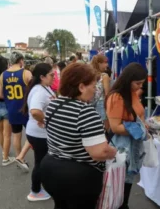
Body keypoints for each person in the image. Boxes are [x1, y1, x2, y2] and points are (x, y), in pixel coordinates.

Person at [40, 63, 117, 209]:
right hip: (78, 177)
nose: (95, 91)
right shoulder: (86, 112)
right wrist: (114, 152)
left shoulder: (53, 105)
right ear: (81, 87)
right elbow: (99, 152)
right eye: (93, 86)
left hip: (50, 169)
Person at [106, 62, 148, 209]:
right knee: (118, 187)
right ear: (128, 80)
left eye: (141, 84)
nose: (139, 87)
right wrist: (139, 129)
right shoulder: (116, 97)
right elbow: (115, 127)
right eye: (137, 83)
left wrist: (142, 125)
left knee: (126, 185)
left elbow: (138, 115)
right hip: (121, 148)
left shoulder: (132, 93)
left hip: (132, 146)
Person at [21, 63, 55, 202]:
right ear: (42, 77)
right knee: (40, 163)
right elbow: (35, 111)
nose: (54, 77)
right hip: (39, 134)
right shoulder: (39, 91)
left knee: (43, 162)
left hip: (40, 133)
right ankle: (35, 191)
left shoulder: (44, 87)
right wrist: (46, 121)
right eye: (51, 75)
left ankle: (42, 186)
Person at [0, 51, 31, 172]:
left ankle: (19, 157)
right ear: (21, 60)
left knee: (16, 135)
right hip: (26, 109)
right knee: (32, 134)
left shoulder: (3, 75)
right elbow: (34, 91)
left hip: (11, 109)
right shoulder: (26, 73)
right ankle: (30, 157)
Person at [91, 55, 111, 130]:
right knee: (105, 128)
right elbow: (107, 94)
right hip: (101, 104)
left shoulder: (91, 74)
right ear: (99, 63)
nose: (107, 65)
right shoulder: (104, 76)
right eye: (105, 62)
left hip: (91, 104)